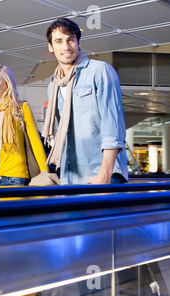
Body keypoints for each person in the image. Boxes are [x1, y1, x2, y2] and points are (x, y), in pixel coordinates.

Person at [42, 17, 129, 185]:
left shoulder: (100, 71)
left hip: (101, 175)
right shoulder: (53, 85)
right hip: (70, 176)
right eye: (59, 41)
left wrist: (104, 175)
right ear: (51, 47)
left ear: (79, 42)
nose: (66, 47)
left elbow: (113, 127)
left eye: (70, 40)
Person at [0, 65, 48, 187]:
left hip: (15, 178)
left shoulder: (20, 108)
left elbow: (36, 144)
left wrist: (46, 175)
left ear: (7, 84)